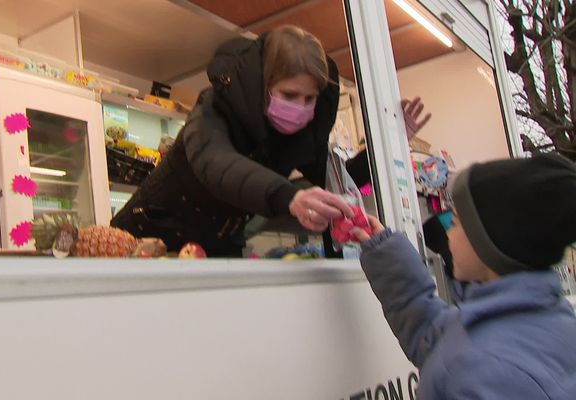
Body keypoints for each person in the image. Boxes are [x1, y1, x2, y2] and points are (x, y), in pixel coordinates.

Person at [112, 25, 354, 257]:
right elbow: (217, 162)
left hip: (216, 243)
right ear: (263, 84)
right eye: (289, 95)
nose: (299, 108)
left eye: (309, 98)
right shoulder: (213, 109)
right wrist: (288, 196)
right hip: (145, 238)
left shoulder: (295, 135)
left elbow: (331, 179)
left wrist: (370, 174)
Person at [353, 153, 576, 399]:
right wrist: (384, 248)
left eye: (456, 221)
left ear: (488, 244)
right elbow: (432, 334)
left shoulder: (483, 370)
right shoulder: (548, 319)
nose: (448, 231)